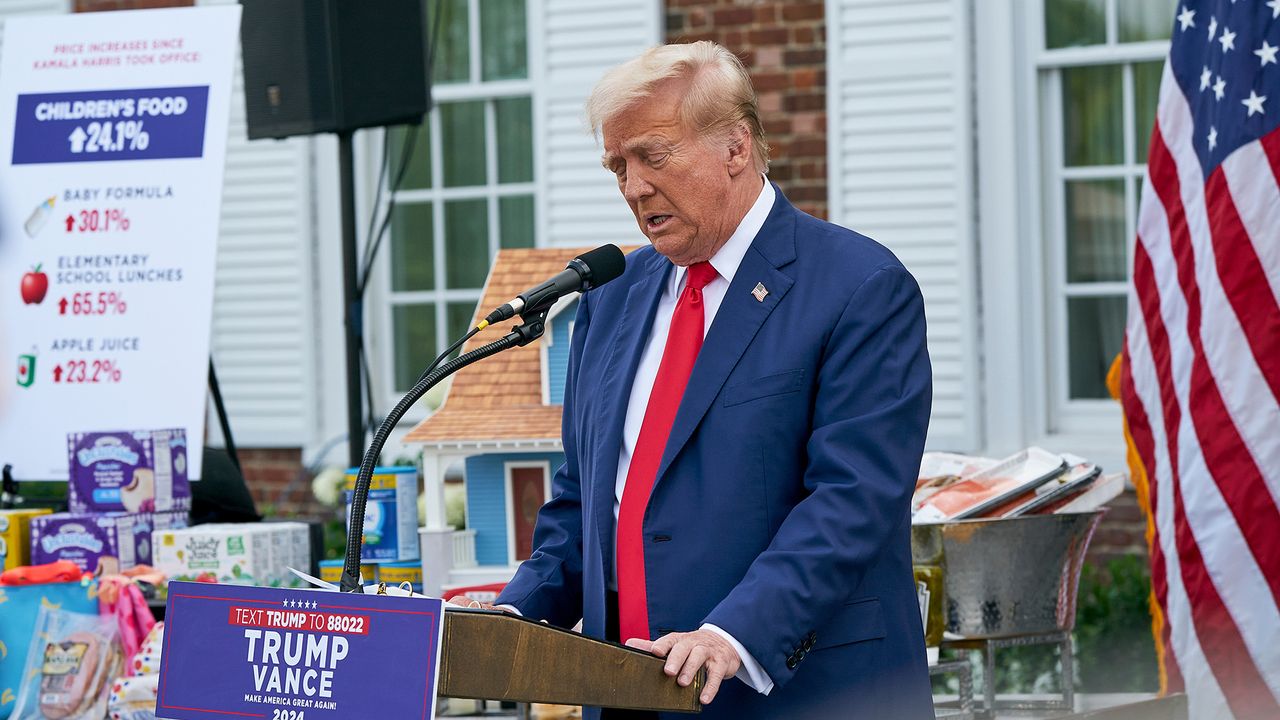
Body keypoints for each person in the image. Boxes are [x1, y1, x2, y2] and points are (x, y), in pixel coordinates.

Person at [488, 41, 934, 719]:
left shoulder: (860, 287)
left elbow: (852, 502)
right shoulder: (610, 297)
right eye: (618, 166)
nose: (634, 186)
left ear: (736, 147)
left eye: (653, 156)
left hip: (798, 692)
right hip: (627, 695)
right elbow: (585, 502)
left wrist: (732, 636)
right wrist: (510, 615)